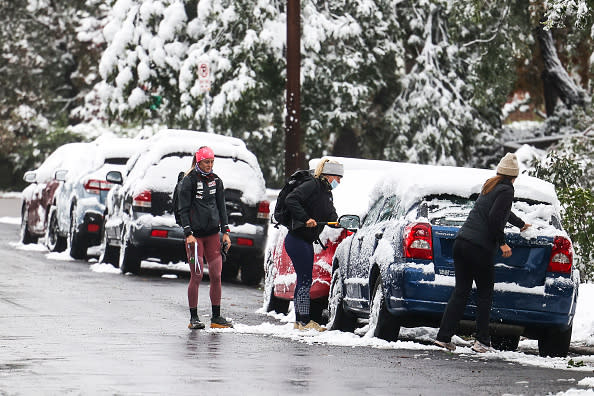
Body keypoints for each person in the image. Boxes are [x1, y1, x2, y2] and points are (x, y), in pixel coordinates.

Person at [434, 153, 531, 353]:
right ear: (514, 176)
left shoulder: (490, 185)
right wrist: (502, 243)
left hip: (461, 243)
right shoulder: (507, 190)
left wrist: (520, 224)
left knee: (461, 292)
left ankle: (444, 337)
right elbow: (496, 218)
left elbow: (502, 212)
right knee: (484, 294)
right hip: (479, 247)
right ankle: (482, 341)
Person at [284, 158, 343, 331]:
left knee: (304, 279)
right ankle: (303, 321)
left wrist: (338, 222)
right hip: (297, 239)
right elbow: (291, 199)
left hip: (305, 241)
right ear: (329, 175)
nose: (339, 182)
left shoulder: (326, 193)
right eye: (338, 178)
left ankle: (300, 321)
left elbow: (331, 214)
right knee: (304, 280)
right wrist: (305, 219)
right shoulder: (312, 185)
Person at [178, 146, 233, 330]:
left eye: (212, 162)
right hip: (195, 238)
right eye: (206, 162)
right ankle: (193, 317)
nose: (209, 165)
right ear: (198, 161)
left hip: (212, 235)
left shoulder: (216, 181)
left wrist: (226, 231)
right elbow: (183, 209)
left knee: (216, 275)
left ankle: (216, 317)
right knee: (197, 275)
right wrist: (188, 234)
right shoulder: (189, 181)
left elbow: (221, 207)